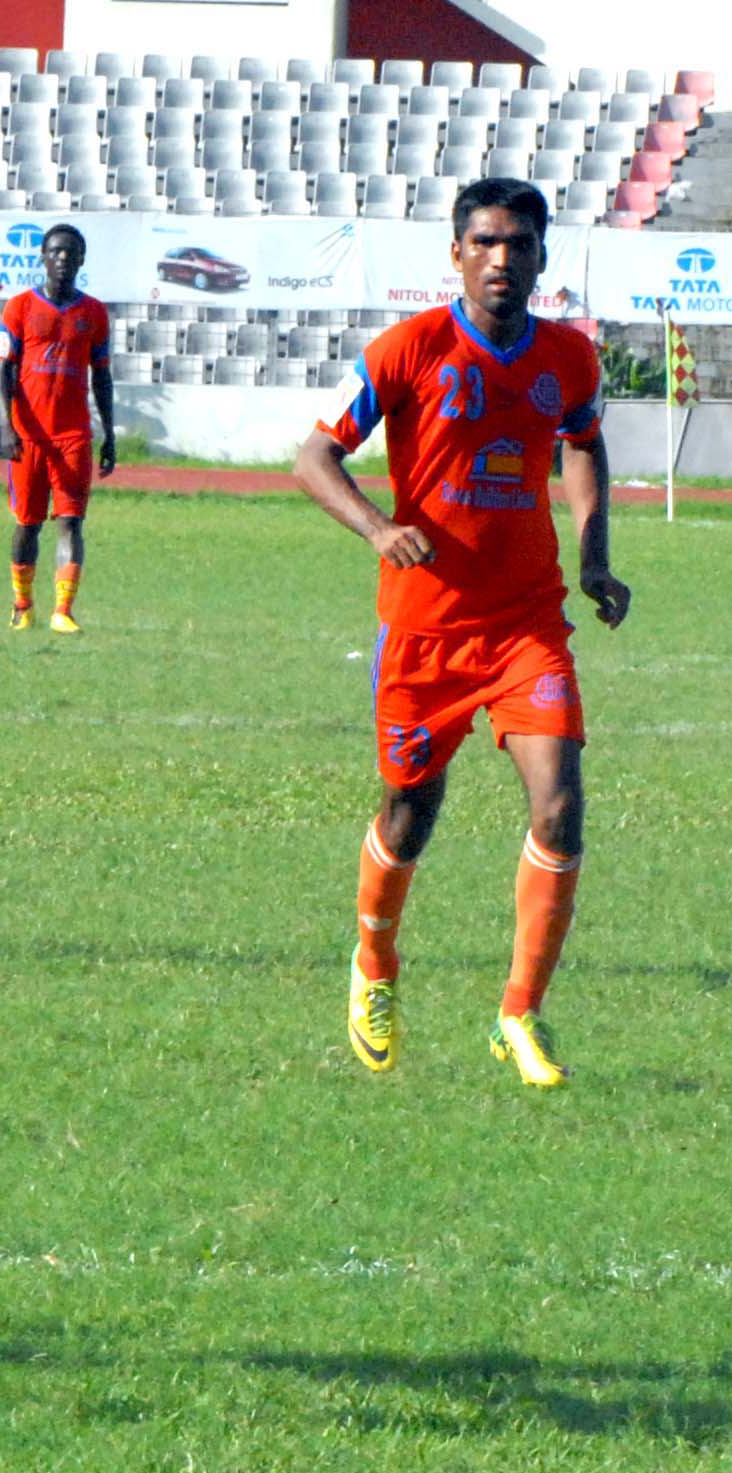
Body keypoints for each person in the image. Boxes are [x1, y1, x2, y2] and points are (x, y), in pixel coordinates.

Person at [293, 177, 631, 1088]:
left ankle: (519, 1014)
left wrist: (594, 555)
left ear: (541, 257)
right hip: (425, 632)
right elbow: (315, 454)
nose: (501, 258)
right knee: (411, 814)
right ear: (455, 253)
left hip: (527, 624)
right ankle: (373, 962)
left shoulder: (569, 357)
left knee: (560, 803)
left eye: (519, 244)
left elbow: (583, 439)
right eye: (484, 241)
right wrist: (376, 528)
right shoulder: (410, 349)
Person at [0, 224, 115, 633]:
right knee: (27, 522)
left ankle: (63, 610)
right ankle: (22, 604)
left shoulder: (94, 314)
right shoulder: (19, 308)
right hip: (28, 434)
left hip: (73, 435)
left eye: (71, 253)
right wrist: (5, 426)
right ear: (43, 257)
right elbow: (2, 371)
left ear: (81, 260)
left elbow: (102, 376)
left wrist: (110, 433)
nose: (63, 259)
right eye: (56, 252)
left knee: (70, 520)